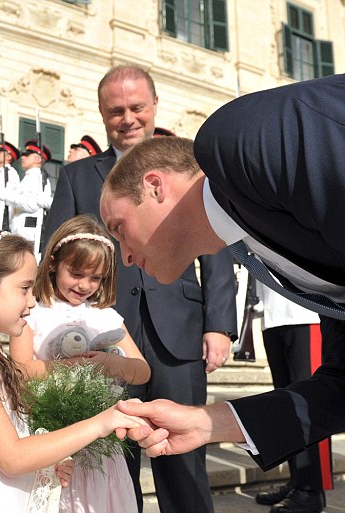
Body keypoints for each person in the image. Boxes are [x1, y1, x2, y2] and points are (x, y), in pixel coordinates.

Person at [99, 75, 345, 483]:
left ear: (155, 187)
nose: (125, 255)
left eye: (119, 228)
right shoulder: (263, 244)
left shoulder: (235, 136)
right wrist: (209, 422)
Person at [43, 64, 237, 513]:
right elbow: (54, 248)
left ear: (153, 107)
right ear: (101, 113)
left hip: (180, 332)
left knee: (185, 462)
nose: (127, 118)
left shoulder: (185, 164)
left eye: (136, 107)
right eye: (116, 110)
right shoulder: (78, 176)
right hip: (105, 337)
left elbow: (216, 248)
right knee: (113, 460)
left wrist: (220, 325)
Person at [0, 227, 146, 513]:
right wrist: (100, 422)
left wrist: (44, 469)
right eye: (24, 288)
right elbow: (11, 457)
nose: (32, 300)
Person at [9, 214, 150, 513]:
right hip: (52, 440)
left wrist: (109, 363)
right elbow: (19, 370)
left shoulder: (106, 317)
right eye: (76, 273)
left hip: (102, 449)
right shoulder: (34, 312)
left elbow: (142, 370)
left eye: (95, 278)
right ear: (53, 264)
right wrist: (70, 366)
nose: (85, 285)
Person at [253, 284, 332, 513]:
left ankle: (311, 489)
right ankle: (297, 481)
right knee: (285, 407)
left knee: (308, 406)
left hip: (305, 312)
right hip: (272, 315)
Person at [3, 140, 53, 255]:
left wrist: (8, 197)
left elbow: (31, 205)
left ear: (38, 159)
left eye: (27, 154)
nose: (23, 157)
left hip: (29, 231)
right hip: (18, 229)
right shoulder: (27, 178)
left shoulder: (38, 178)